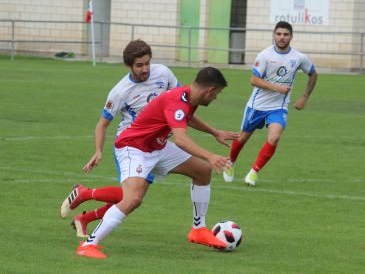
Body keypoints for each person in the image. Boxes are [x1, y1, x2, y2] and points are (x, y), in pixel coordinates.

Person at [75, 67, 239, 259]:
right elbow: (181, 139)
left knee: (202, 171)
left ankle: (198, 230)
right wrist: (210, 155)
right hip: (133, 148)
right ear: (209, 91)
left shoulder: (188, 97)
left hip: (157, 147)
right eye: (217, 94)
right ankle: (88, 244)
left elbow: (187, 117)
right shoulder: (177, 100)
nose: (215, 98)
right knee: (133, 199)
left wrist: (214, 132)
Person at [60, 39, 181, 237]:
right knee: (131, 197)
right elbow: (102, 124)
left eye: (147, 63)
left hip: (153, 145)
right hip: (131, 144)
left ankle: (84, 218)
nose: (145, 69)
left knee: (134, 200)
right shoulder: (120, 92)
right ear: (129, 66)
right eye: (139, 65)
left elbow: (179, 98)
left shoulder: (164, 73)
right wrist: (98, 151)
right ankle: (84, 193)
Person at [223, 21, 318, 186]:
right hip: (257, 106)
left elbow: (313, 74)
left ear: (291, 36)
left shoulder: (299, 57)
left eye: (285, 34)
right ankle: (230, 162)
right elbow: (254, 80)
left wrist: (304, 97)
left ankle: (253, 173)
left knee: (274, 138)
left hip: (278, 107)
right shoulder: (265, 55)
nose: (282, 37)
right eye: (279, 34)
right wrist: (277, 87)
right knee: (243, 137)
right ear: (274, 35)